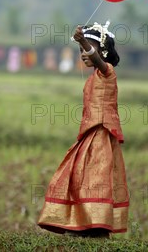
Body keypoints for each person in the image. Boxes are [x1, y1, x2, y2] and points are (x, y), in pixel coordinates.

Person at [38, 21, 129, 238]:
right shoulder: (93, 77)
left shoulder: (108, 72)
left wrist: (81, 39)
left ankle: (96, 226)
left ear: (103, 50)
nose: (84, 53)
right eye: (80, 50)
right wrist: (84, 43)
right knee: (75, 178)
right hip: (88, 135)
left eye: (88, 47)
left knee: (96, 180)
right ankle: (80, 223)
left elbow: (99, 62)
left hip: (101, 134)